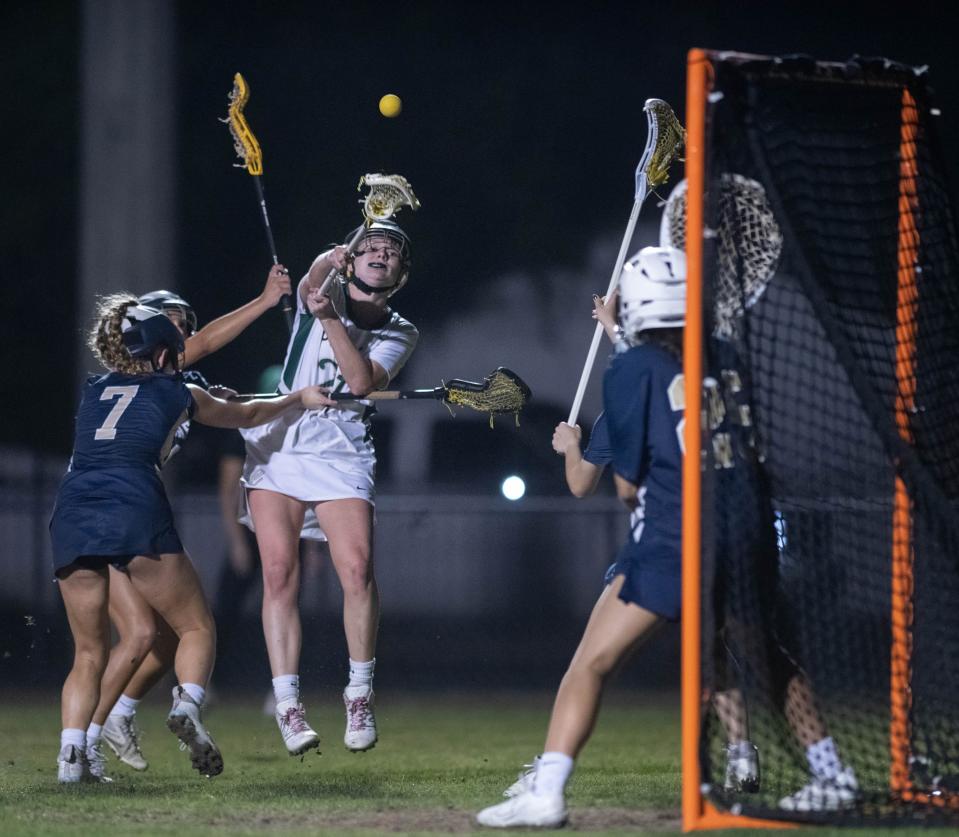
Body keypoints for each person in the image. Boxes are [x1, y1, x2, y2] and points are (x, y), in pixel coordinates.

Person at [50, 296, 327, 784]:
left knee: (89, 652)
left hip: (73, 509)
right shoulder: (179, 392)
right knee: (196, 627)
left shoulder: (94, 388)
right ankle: (189, 702)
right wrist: (295, 399)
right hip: (132, 505)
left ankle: (73, 758)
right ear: (161, 352)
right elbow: (245, 417)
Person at [476, 246, 688, 828]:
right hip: (710, 536)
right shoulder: (697, 372)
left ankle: (548, 785)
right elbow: (579, 483)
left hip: (662, 542)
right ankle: (811, 769)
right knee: (738, 659)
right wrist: (573, 446)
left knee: (589, 666)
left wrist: (618, 332)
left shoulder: (635, 384)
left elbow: (614, 489)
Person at [239, 220, 419, 756]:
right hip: (281, 440)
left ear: (400, 274)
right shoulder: (324, 290)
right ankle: (289, 704)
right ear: (354, 258)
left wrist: (332, 321)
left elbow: (361, 383)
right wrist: (331, 254)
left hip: (341, 450)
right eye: (373, 247)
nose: (382, 255)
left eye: (392, 253)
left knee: (358, 570)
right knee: (277, 573)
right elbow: (314, 278)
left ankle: (359, 693)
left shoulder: (401, 331)